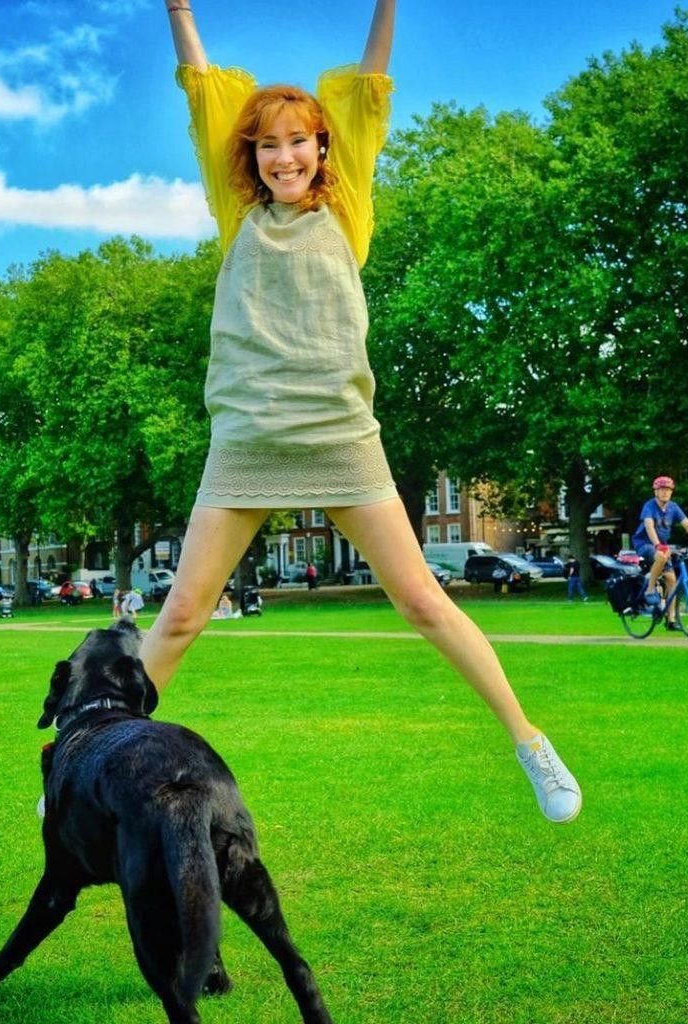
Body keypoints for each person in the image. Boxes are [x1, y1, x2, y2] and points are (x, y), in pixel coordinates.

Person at [145, 0, 580, 824]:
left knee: (422, 600)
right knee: (181, 617)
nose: (282, 157)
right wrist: (179, 9)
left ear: (320, 147)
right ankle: (81, 763)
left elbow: (372, 81)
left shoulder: (347, 214)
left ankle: (531, 744)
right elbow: (201, 90)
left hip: (342, 433)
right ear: (250, 157)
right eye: (266, 144)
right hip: (248, 436)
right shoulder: (236, 216)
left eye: (295, 141)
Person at [632, 475, 688, 631]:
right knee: (661, 555)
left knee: (672, 579)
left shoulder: (673, 507)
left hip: (662, 547)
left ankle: (671, 620)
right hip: (645, 544)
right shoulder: (649, 506)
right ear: (656, 492)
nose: (665, 492)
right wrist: (658, 545)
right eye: (661, 489)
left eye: (668, 490)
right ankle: (650, 589)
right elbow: (649, 526)